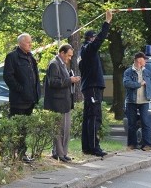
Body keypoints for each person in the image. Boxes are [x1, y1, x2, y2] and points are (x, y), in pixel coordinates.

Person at [3, 33, 41, 162]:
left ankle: (22, 153)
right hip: (18, 100)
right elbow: (8, 77)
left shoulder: (30, 57)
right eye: (27, 42)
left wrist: (36, 93)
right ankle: (17, 154)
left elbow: (34, 77)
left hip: (30, 100)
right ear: (20, 43)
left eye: (31, 42)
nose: (30, 44)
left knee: (24, 129)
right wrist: (21, 90)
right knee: (18, 129)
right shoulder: (12, 57)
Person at [80, 10, 113, 157]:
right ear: (91, 39)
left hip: (90, 87)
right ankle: (94, 147)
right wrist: (106, 23)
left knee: (88, 117)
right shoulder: (88, 49)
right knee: (94, 117)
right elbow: (100, 40)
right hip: (93, 87)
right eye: (94, 38)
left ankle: (87, 146)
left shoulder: (84, 51)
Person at [44, 44, 80, 162]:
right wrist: (70, 80)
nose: (69, 58)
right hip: (58, 102)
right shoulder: (54, 64)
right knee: (60, 129)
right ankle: (59, 153)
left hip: (65, 101)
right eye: (68, 55)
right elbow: (53, 82)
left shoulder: (63, 64)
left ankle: (62, 152)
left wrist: (70, 79)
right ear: (62, 53)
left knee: (65, 129)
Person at [123, 51, 151, 151]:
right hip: (131, 101)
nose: (145, 61)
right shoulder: (128, 72)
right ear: (138, 60)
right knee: (132, 124)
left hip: (144, 101)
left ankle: (147, 145)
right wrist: (139, 84)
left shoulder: (147, 72)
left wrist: (150, 93)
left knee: (145, 123)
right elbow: (126, 83)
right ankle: (131, 144)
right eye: (144, 59)